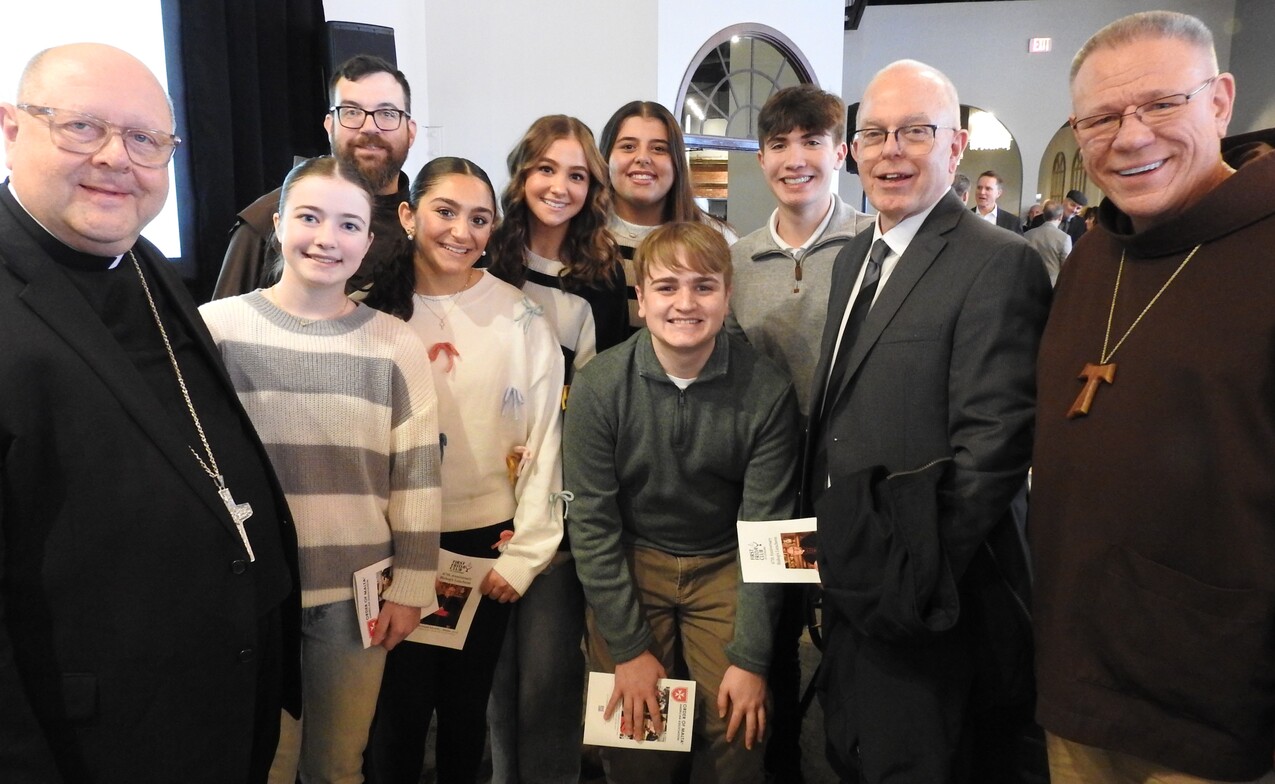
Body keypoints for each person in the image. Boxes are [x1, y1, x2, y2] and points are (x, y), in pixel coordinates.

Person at [0, 43, 299, 782]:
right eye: (81, 128)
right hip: (94, 741)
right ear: (10, 128)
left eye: (144, 140)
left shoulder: (143, 262)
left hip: (217, 706)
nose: (115, 158)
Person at [1031, 11, 1275, 782]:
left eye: (1161, 104)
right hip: (1078, 681)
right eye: (1100, 117)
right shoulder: (1092, 254)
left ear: (1220, 99)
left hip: (1215, 706)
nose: (1130, 137)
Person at [805, 59, 1051, 783]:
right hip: (859, 566)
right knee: (852, 750)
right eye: (873, 133)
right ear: (851, 150)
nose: (890, 150)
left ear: (955, 144)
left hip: (931, 591)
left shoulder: (997, 262)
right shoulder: (855, 257)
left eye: (915, 131)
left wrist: (912, 573)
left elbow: (995, 448)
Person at [199, 156, 442, 783]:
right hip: (253, 593)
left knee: (338, 766)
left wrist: (414, 587)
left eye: (348, 225)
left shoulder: (394, 343)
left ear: (368, 239)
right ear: (278, 225)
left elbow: (416, 475)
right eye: (309, 217)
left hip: (355, 598)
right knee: (265, 766)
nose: (326, 239)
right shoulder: (217, 329)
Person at [565, 221, 798, 784]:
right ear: (640, 300)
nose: (685, 303)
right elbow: (592, 527)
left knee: (740, 727)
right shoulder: (599, 386)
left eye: (704, 286)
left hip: (727, 558)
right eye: (667, 288)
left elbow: (770, 534)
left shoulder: (768, 389)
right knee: (637, 733)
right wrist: (629, 648)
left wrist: (751, 658)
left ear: (727, 295)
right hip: (634, 554)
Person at [363, 157, 565, 784]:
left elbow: (545, 439)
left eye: (479, 219)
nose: (462, 231)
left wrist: (525, 553)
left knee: (464, 709)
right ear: (408, 214)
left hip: (485, 547)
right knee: (392, 713)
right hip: (390, 544)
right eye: (445, 212)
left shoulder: (522, 317)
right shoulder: (366, 313)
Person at [723, 83, 871, 783]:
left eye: (811, 141)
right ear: (760, 159)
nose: (795, 158)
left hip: (851, 489)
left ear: (838, 152)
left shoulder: (875, 251)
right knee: (773, 639)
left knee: (851, 647)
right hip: (771, 492)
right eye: (779, 144)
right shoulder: (735, 261)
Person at [484, 114, 627, 784]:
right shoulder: (484, 259)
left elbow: (601, 406)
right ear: (521, 175)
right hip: (477, 498)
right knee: (488, 678)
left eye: (576, 174)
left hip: (558, 504)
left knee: (545, 676)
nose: (560, 186)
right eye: (546, 168)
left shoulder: (601, 279)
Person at [213, 55, 417, 299]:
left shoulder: (428, 227)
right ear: (330, 126)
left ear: (410, 131)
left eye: (387, 113)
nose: (369, 127)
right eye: (351, 112)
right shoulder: (267, 219)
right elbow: (219, 329)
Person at [598, 100, 736, 330]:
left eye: (659, 148)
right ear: (606, 158)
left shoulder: (718, 238)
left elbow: (733, 332)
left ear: (677, 162)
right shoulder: (582, 237)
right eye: (628, 146)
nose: (643, 158)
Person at [1023, 199, 1072, 285]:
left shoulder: (1027, 234)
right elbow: (1067, 267)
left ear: (1043, 216)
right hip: (1053, 284)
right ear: (1060, 216)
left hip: (1029, 282)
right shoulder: (1064, 238)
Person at [972, 169, 1023, 233]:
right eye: (979, 188)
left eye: (988, 189)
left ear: (998, 193)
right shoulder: (964, 218)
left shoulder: (1013, 223)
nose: (982, 192)